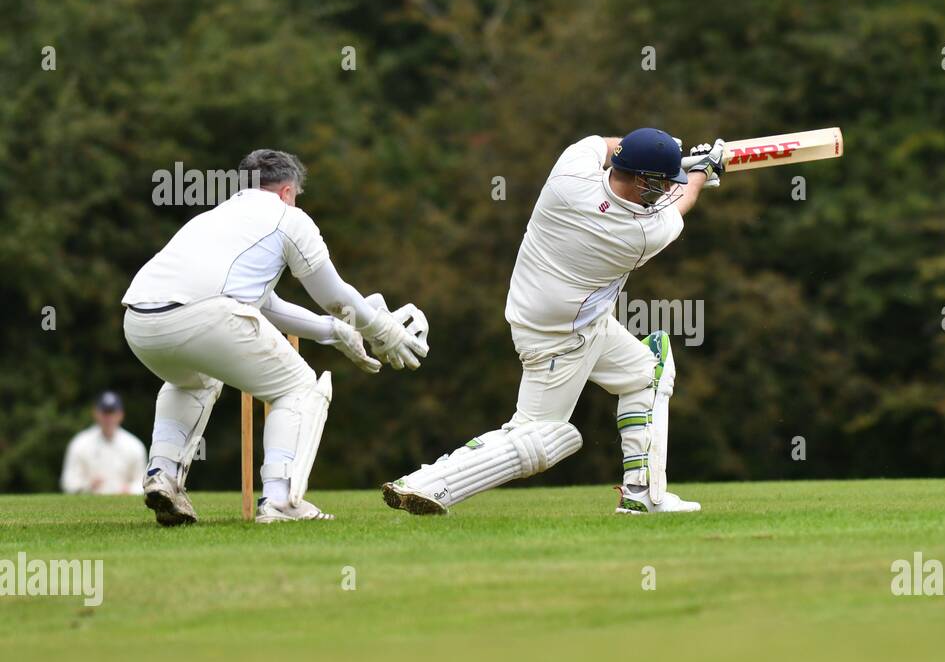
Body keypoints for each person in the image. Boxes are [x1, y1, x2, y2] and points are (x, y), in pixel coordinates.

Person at [383, 129, 725, 516]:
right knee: (537, 435)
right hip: (563, 337)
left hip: (564, 318)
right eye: (659, 184)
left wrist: (667, 157)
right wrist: (703, 171)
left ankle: (643, 494)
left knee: (647, 372)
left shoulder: (569, 172)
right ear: (642, 180)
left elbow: (609, 144)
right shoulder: (640, 233)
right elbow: (682, 203)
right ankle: (426, 483)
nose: (665, 191)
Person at [121, 149, 429, 525]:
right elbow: (333, 294)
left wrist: (334, 332)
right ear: (286, 191)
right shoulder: (288, 218)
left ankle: (163, 475)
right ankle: (280, 501)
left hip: (140, 322)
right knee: (299, 388)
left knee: (194, 380)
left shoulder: (216, 218)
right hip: (205, 314)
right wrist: (383, 330)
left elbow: (266, 305)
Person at [60, 391, 147, 495]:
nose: (108, 418)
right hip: (89, 503)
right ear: (95, 413)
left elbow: (143, 484)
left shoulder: (134, 446)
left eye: (112, 412)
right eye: (105, 413)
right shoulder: (80, 443)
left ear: (120, 414)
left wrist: (129, 490)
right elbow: (68, 482)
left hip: (123, 503)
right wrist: (87, 486)